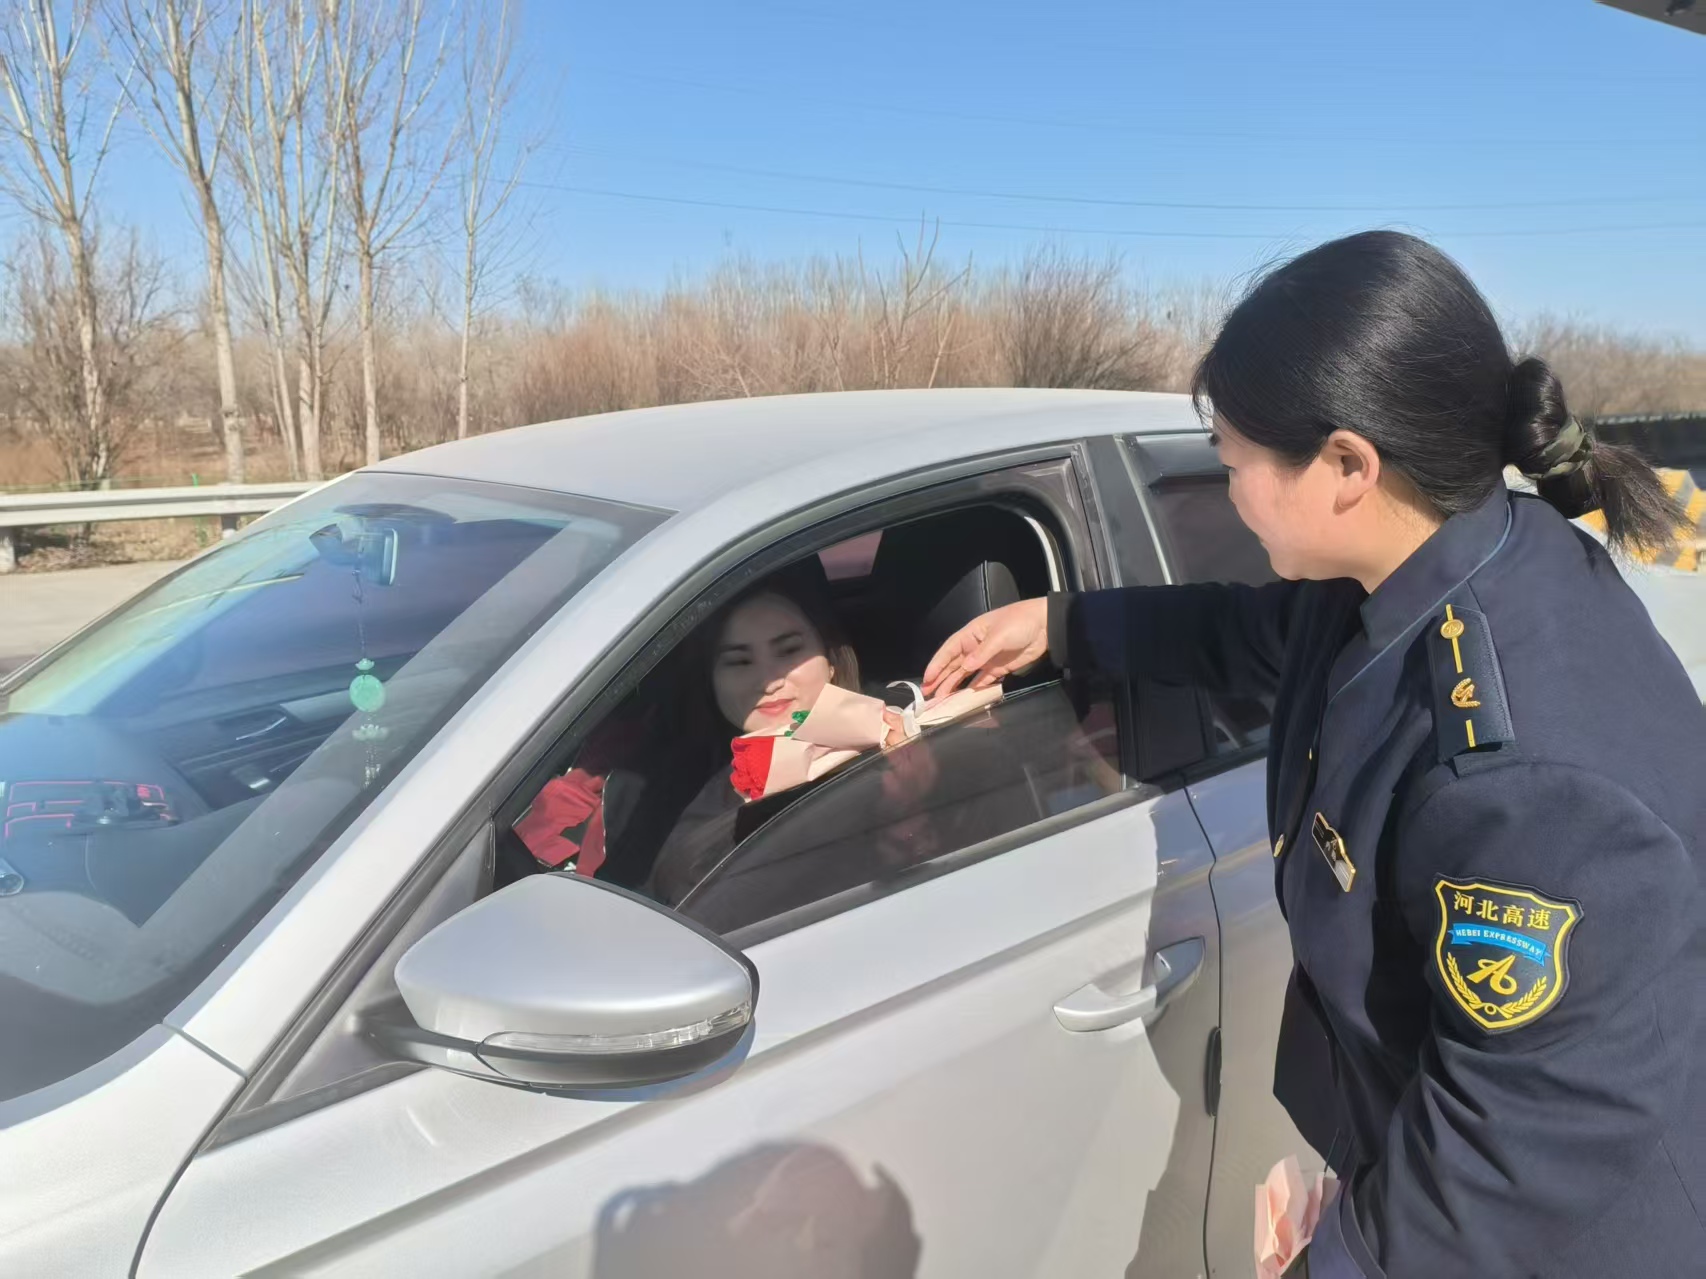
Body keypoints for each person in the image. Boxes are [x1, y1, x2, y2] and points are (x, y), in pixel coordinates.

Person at [924, 231, 1706, 1276]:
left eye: (1233, 465)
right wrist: (1059, 624)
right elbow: (1249, 634)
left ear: (1346, 466)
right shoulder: (1441, 558)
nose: (1229, 493)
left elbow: (1517, 1143)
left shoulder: (1519, 775)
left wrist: (1329, 1262)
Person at [647, 563, 912, 907]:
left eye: (789, 651)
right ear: (712, 680)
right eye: (740, 661)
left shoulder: (899, 743)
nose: (769, 681)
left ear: (831, 660)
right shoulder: (682, 784)